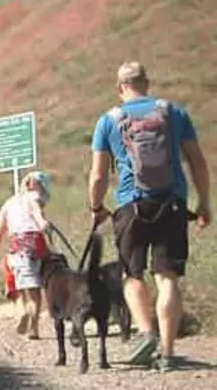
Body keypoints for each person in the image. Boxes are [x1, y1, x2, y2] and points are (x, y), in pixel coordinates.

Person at [89, 61, 211, 372]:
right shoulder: (175, 113)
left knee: (133, 275)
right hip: (171, 202)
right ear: (147, 83)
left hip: (131, 205)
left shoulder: (109, 121)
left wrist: (96, 206)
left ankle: (147, 334)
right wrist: (204, 203)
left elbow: (98, 175)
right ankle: (168, 354)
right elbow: (197, 162)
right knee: (167, 277)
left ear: (120, 88)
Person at [0, 170, 54, 340]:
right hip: (33, 244)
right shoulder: (34, 198)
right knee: (35, 291)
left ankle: (23, 310)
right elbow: (38, 215)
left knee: (20, 285)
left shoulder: (8, 203)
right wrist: (43, 223)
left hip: (15, 247)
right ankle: (34, 327)